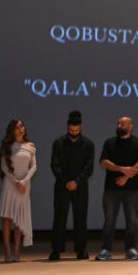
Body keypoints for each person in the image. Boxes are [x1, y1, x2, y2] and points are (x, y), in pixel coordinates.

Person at [96, 116, 138, 261]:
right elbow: (104, 162)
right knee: (109, 221)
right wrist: (121, 168)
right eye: (118, 124)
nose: (119, 126)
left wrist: (125, 177)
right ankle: (106, 249)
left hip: (132, 189)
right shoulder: (109, 142)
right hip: (111, 189)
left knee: (132, 221)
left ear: (131, 126)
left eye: (123, 124)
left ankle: (131, 249)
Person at [49, 110, 94, 260]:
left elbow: (89, 167)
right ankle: (56, 250)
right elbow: (55, 165)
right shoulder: (58, 143)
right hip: (62, 186)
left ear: (81, 127)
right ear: (67, 127)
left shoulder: (88, 144)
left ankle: (81, 250)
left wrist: (76, 181)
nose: (74, 133)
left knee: (80, 218)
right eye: (71, 130)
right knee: (59, 218)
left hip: (80, 187)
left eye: (76, 130)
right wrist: (66, 181)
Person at [0, 119, 36, 262]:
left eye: (22, 126)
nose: (21, 129)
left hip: (24, 185)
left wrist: (24, 181)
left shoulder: (30, 146)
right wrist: (16, 182)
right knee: (7, 217)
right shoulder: (7, 145)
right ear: (12, 130)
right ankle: (7, 250)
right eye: (18, 127)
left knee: (19, 218)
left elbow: (34, 167)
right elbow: (3, 167)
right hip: (10, 184)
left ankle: (17, 251)